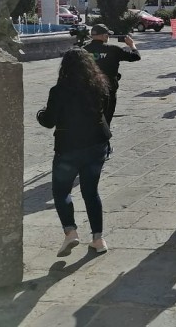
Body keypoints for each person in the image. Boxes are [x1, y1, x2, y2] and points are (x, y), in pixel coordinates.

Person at [37, 49, 112, 256]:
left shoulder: (59, 90)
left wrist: (40, 113)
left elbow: (48, 121)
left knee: (61, 191)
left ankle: (70, 232)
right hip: (96, 144)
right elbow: (105, 111)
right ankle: (98, 239)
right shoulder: (100, 86)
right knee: (91, 191)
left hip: (69, 146)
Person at [83, 24, 141, 125]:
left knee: (89, 119)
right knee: (106, 118)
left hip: (89, 89)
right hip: (108, 89)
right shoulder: (113, 49)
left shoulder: (83, 50)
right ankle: (103, 138)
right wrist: (132, 45)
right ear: (104, 36)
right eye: (107, 35)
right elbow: (135, 56)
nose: (108, 37)